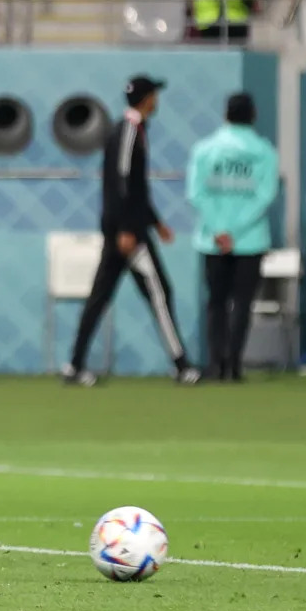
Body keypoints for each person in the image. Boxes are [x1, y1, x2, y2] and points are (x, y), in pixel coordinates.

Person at [62, 75, 201, 387]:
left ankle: (74, 365)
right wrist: (128, 228)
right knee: (160, 293)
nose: (157, 100)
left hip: (126, 227)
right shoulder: (128, 130)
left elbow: (136, 186)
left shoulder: (134, 130)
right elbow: (122, 180)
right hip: (129, 234)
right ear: (147, 98)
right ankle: (181, 365)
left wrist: (156, 221)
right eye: (154, 95)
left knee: (99, 297)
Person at [186, 92, 278, 382]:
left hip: (213, 240)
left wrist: (220, 230)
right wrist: (236, 230)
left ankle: (216, 363)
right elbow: (265, 195)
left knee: (216, 302)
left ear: (225, 114)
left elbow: (196, 192)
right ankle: (234, 365)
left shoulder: (205, 149)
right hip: (249, 240)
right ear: (253, 115)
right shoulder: (264, 152)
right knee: (242, 303)